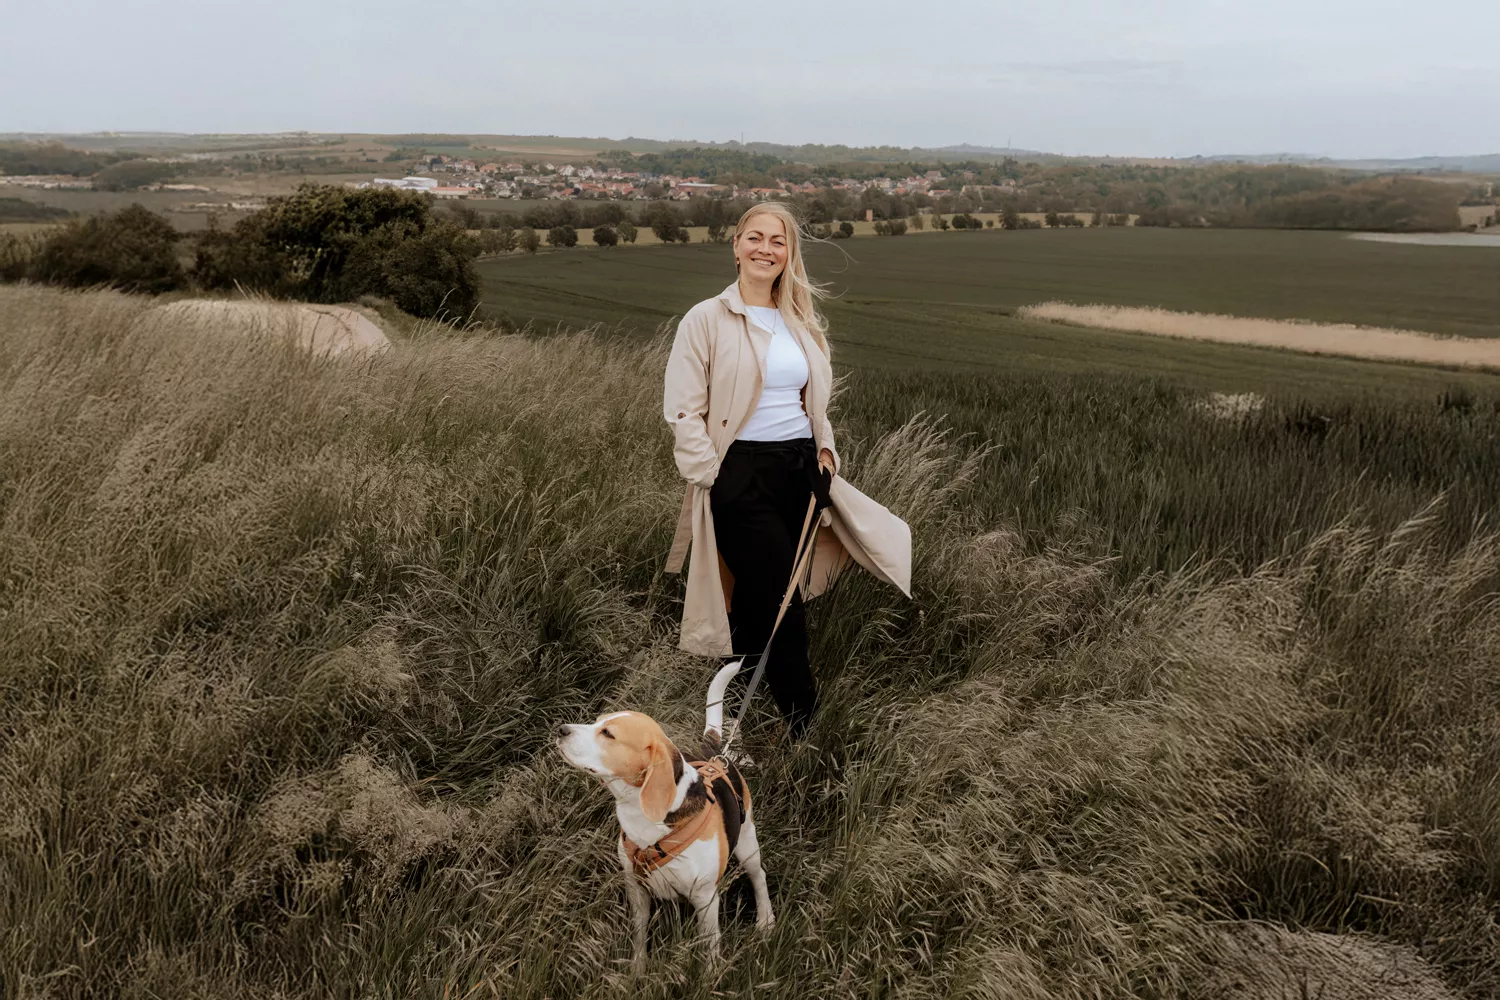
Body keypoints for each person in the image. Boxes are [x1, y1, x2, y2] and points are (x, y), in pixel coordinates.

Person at [662, 203, 913, 744]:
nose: (766, 249)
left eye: (778, 241)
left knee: (759, 604)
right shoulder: (705, 319)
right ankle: (808, 732)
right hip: (739, 474)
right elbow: (683, 411)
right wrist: (714, 475)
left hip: (798, 471)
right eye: (755, 237)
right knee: (782, 603)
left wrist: (825, 453)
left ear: (789, 254)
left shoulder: (800, 324)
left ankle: (734, 720)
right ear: (736, 245)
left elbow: (814, 403)